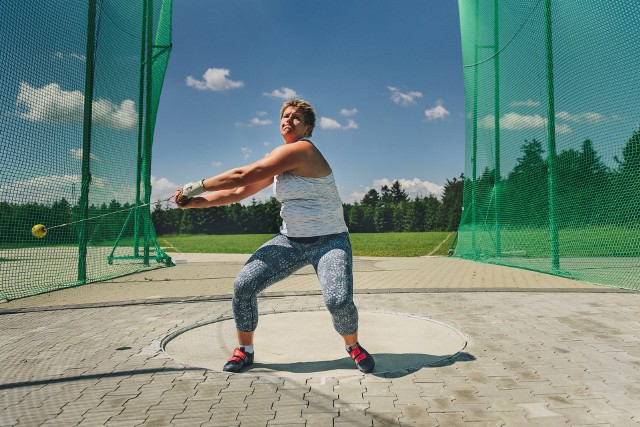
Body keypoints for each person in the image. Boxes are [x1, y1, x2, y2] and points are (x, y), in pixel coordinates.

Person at [174, 98, 375, 374]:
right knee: (243, 285)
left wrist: (194, 187)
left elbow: (246, 174)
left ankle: (352, 345)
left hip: (330, 240)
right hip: (290, 241)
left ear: (308, 128)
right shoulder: (279, 159)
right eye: (284, 116)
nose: (288, 120)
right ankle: (244, 351)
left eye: (295, 118)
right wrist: (197, 202)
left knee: (338, 300)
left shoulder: (302, 150)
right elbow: (238, 192)